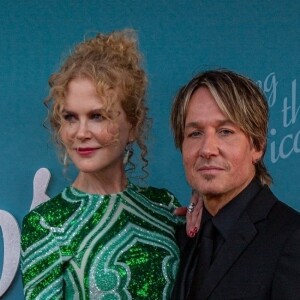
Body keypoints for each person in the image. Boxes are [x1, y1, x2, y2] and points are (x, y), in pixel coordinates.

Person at [20, 29, 184, 299]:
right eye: (71, 117)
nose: (81, 132)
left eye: (98, 116)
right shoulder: (47, 225)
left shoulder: (164, 206)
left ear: (133, 124)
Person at [170, 69, 300, 299]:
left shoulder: (292, 239)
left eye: (225, 131)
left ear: (257, 146)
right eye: (195, 133)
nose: (208, 149)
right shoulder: (179, 237)